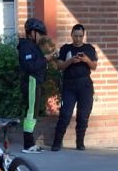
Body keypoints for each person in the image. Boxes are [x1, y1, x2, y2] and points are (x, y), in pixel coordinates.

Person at [51, 23, 97, 151]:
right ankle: (57, 142)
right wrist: (71, 61)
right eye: (75, 36)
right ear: (71, 35)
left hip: (85, 85)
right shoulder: (66, 48)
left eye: (80, 36)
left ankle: (80, 142)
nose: (78, 39)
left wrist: (86, 60)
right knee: (65, 114)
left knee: (83, 115)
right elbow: (59, 66)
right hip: (69, 84)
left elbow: (94, 66)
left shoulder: (89, 49)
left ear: (83, 36)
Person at [17, 17, 49, 153]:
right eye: (39, 33)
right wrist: (45, 59)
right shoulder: (26, 47)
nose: (41, 37)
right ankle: (28, 145)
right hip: (31, 81)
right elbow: (30, 66)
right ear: (32, 32)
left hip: (35, 82)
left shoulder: (32, 46)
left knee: (33, 112)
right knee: (30, 112)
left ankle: (30, 143)